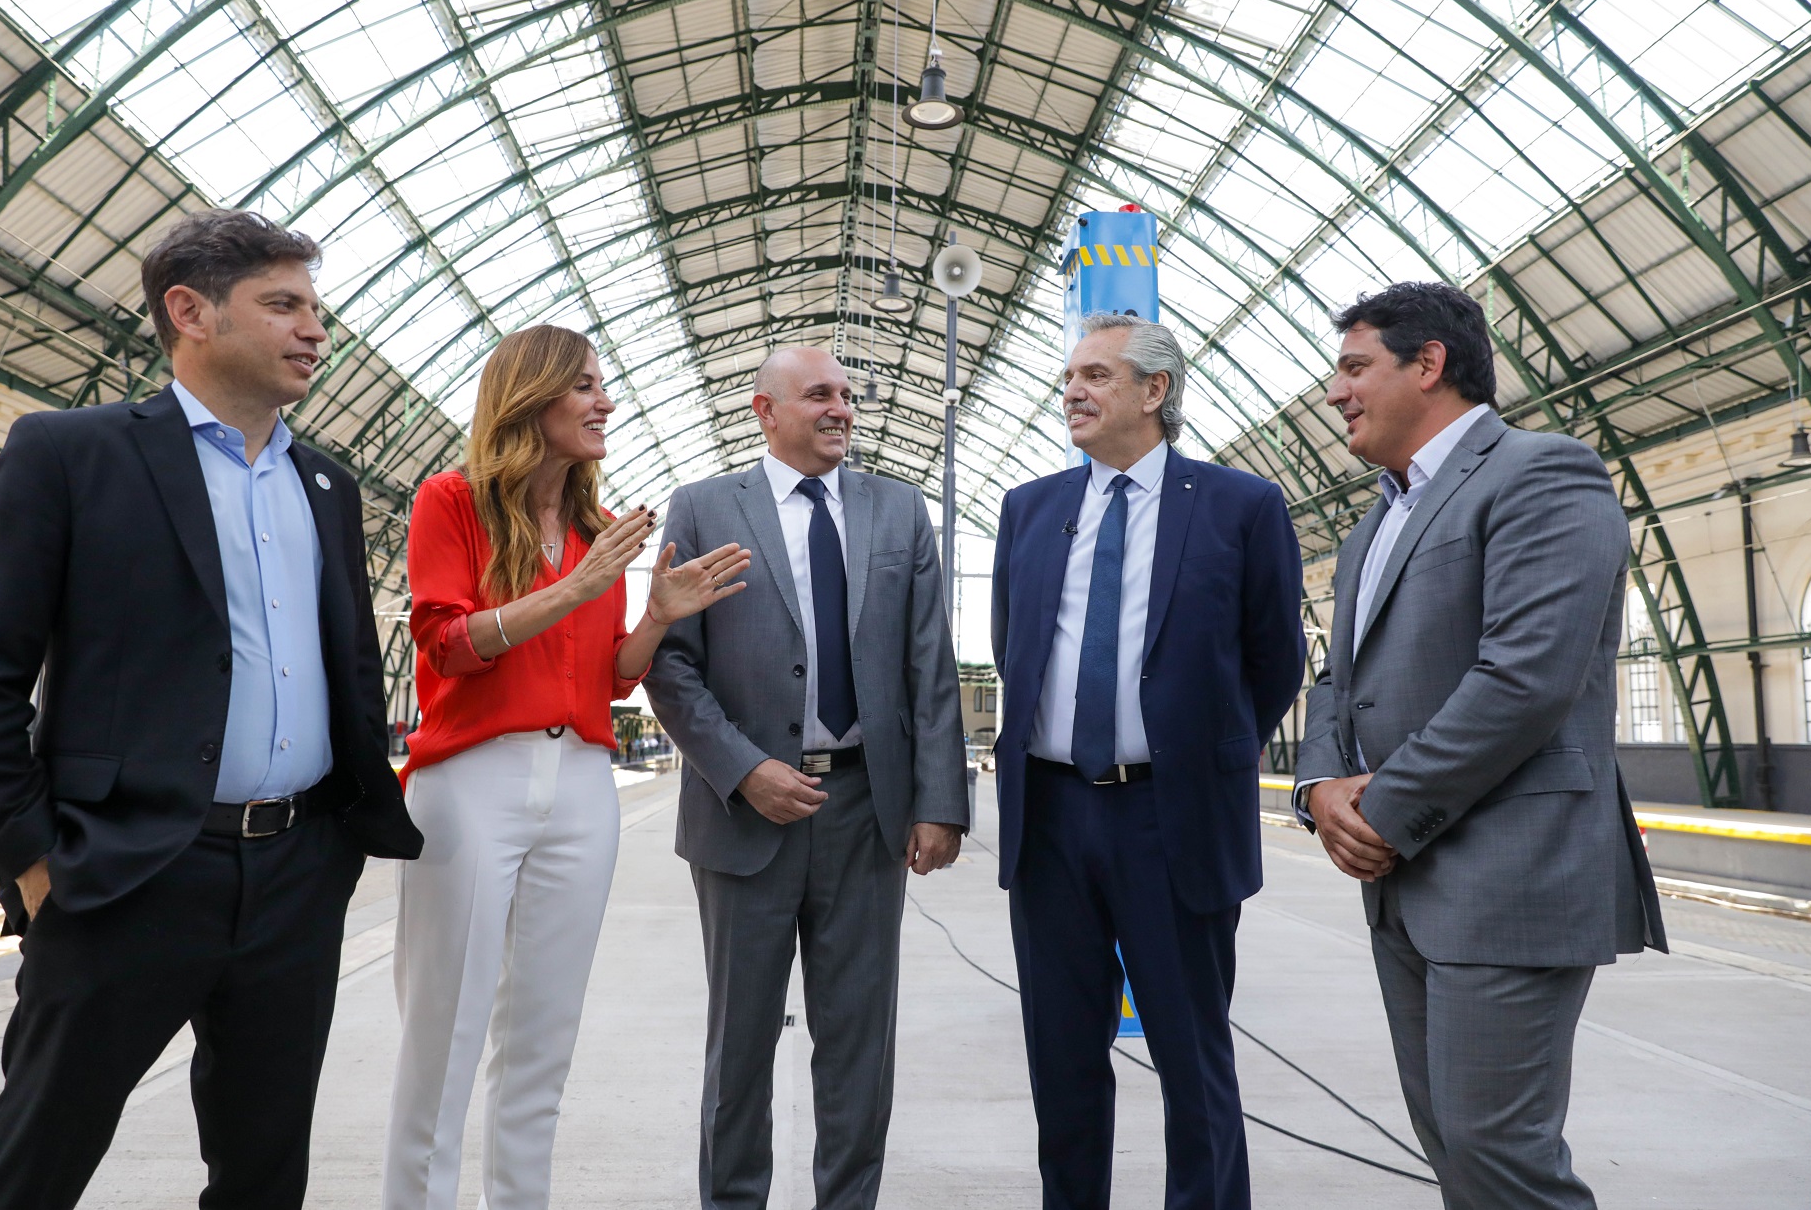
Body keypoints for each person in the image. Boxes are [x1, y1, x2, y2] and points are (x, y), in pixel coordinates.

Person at [0, 209, 424, 1209]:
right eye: (282, 304)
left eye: (315, 307)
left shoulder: (325, 481)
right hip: (125, 873)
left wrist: (339, 837)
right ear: (188, 311)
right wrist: (29, 857)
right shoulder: (73, 452)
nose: (314, 330)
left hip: (295, 871)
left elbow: (354, 669)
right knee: (36, 1163)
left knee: (262, 1172)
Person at [1293, 282, 1666, 1209]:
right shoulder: (1374, 522)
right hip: (1405, 887)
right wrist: (1318, 786)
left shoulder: (1543, 473)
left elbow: (1525, 677)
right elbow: (1338, 678)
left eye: (1354, 367)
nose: (1334, 392)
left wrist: (1376, 806)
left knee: (1501, 1152)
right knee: (1456, 1150)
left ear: (1429, 364)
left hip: (1510, 873)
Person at [382, 325, 750, 1210]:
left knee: (542, 1039)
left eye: (604, 385)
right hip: (472, 782)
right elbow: (444, 643)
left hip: (581, 784)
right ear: (532, 395)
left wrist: (655, 616)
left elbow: (609, 678)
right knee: (446, 1032)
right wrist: (574, 589)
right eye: (584, 386)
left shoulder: (597, 529)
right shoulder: (450, 501)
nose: (605, 402)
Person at [642, 346, 968, 1210]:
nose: (842, 409)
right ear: (765, 410)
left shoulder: (899, 511)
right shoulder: (706, 508)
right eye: (819, 394)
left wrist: (940, 803)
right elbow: (670, 667)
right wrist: (744, 771)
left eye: (849, 396)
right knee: (739, 1043)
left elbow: (929, 668)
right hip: (743, 815)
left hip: (866, 810)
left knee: (859, 1041)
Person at [991, 313, 1304, 1210]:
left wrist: (1199, 752)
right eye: (1067, 378)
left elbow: (1274, 658)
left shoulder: (1242, 506)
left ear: (1155, 390)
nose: (1073, 393)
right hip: (1051, 817)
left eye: (1095, 375)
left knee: (1192, 1056)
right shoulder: (1031, 507)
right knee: (1062, 1058)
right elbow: (1016, 652)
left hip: (1173, 817)